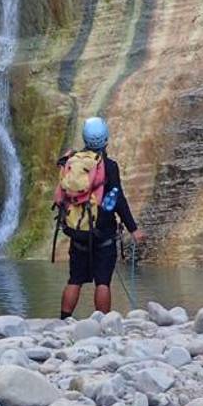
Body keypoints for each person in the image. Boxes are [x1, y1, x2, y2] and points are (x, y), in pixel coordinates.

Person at [57, 116, 144, 319]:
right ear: (106, 138)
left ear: (84, 138)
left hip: (77, 230)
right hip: (103, 232)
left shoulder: (72, 162)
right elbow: (118, 200)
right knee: (103, 281)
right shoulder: (109, 166)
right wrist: (133, 228)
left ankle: (63, 321)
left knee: (75, 279)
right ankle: (103, 323)